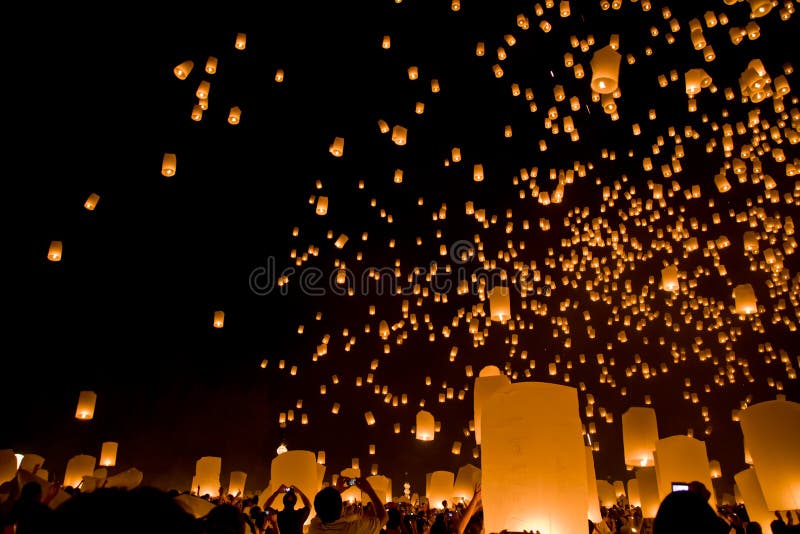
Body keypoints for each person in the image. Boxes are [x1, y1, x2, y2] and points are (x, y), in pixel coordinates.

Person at [308, 476, 387, 534]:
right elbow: (384, 517)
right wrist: (369, 490)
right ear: (341, 509)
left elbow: (321, 508)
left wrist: (336, 492)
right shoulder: (353, 529)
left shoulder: (314, 528)